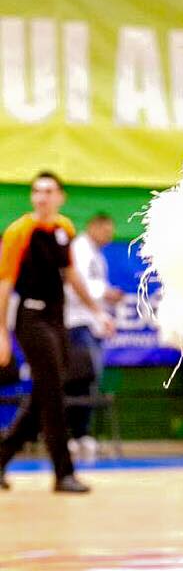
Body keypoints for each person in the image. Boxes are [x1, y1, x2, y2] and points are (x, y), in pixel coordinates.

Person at [0, 172, 113, 492]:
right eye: (37, 191)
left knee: (45, 393)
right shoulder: (19, 232)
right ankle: (64, 473)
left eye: (49, 191)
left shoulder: (64, 229)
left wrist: (97, 312)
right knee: (52, 397)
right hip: (30, 318)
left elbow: (72, 274)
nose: (42, 197)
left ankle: (2, 455)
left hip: (56, 318)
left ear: (60, 197)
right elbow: (5, 284)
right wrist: (2, 333)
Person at [64, 212, 123, 460]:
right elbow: (75, 285)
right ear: (92, 227)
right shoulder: (79, 249)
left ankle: (82, 434)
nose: (109, 236)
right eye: (105, 231)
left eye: (111, 233)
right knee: (76, 381)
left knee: (90, 382)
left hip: (92, 324)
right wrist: (104, 294)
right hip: (78, 324)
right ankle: (71, 435)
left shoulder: (97, 255)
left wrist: (104, 312)